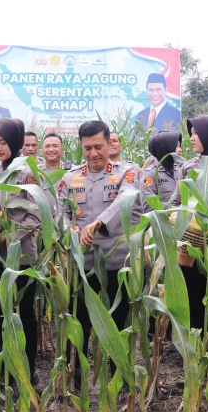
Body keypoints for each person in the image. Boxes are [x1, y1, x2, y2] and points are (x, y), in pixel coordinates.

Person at [58, 120, 148, 389]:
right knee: (79, 322)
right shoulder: (70, 177)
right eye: (87, 148)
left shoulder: (128, 173)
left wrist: (97, 223)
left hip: (117, 262)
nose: (93, 153)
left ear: (110, 143)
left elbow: (126, 198)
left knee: (118, 324)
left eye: (99, 146)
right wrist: (69, 228)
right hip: (82, 264)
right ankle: (75, 380)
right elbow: (60, 212)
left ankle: (119, 378)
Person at [0, 118, 41, 388]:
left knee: (23, 313)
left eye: (3, 142)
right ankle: (4, 373)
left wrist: (6, 235)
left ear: (15, 141)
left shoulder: (28, 171)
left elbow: (38, 217)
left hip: (19, 255)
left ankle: (28, 370)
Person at [168, 116, 208, 332]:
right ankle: (197, 352)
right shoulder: (188, 167)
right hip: (191, 244)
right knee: (194, 298)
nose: (191, 138)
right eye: (191, 133)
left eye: (196, 133)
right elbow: (177, 202)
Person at [142, 132, 182, 207]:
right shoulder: (150, 174)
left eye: (179, 146)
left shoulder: (179, 170)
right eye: (176, 146)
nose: (180, 150)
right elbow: (148, 206)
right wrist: (175, 207)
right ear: (164, 148)